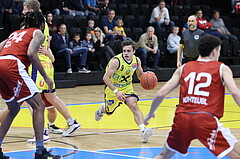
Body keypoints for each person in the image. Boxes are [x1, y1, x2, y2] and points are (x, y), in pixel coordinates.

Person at [144, 35, 240, 159]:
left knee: (163, 156)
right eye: (219, 51)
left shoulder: (184, 68)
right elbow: (234, 92)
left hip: (182, 119)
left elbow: (161, 93)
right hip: (205, 118)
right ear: (215, 51)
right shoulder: (221, 68)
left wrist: (150, 113)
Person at [0, 11, 61, 159]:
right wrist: (46, 77)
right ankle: (40, 151)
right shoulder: (37, 32)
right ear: (41, 24)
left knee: (13, 108)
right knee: (39, 106)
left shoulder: (15, 33)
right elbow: (31, 53)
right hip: (14, 65)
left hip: (1, 63)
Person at [23, 0, 81, 139]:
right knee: (52, 97)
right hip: (47, 65)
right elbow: (47, 42)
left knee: (32, 100)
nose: (22, 11)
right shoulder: (43, 23)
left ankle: (41, 132)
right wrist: (49, 53)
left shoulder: (34, 22)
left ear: (30, 9)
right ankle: (71, 122)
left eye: (24, 8)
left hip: (38, 66)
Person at [95, 40, 153, 143]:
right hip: (112, 90)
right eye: (124, 51)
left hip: (127, 89)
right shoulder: (116, 61)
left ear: (133, 51)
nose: (126, 53)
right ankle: (101, 109)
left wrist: (146, 76)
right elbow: (105, 78)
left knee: (133, 105)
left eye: (128, 51)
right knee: (108, 112)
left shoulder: (137, 61)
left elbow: (140, 76)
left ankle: (143, 130)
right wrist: (116, 92)